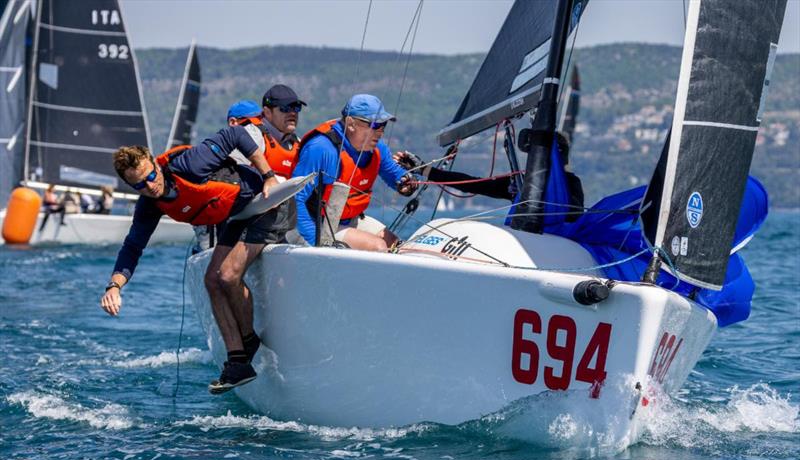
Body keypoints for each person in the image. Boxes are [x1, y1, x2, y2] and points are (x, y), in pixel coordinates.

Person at [99, 126, 296, 394]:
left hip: (269, 205)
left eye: (151, 176)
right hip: (239, 218)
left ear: (157, 164)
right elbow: (133, 246)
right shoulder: (149, 204)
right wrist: (114, 285)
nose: (149, 186)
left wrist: (269, 176)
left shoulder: (189, 164)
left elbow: (234, 135)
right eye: (139, 185)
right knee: (211, 280)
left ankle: (248, 340)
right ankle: (238, 362)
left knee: (226, 275)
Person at [293, 94, 414, 251]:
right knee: (378, 247)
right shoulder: (322, 148)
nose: (380, 132)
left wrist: (407, 182)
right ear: (351, 123)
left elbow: (394, 175)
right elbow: (295, 198)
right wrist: (316, 245)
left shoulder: (377, 148)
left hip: (349, 220)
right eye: (375, 125)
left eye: (383, 125)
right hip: (316, 224)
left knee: (401, 248)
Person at [394, 131, 584, 222]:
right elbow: (473, 184)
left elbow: (573, 215)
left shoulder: (571, 184)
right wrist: (423, 169)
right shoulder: (520, 182)